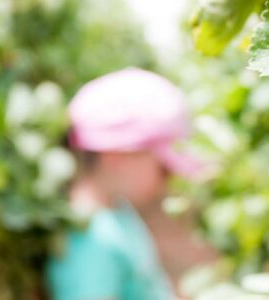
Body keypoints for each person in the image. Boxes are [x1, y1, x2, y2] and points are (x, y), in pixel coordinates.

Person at [47, 68, 216, 300]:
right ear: (116, 156)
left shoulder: (118, 212)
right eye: (163, 168)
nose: (169, 179)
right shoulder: (89, 241)